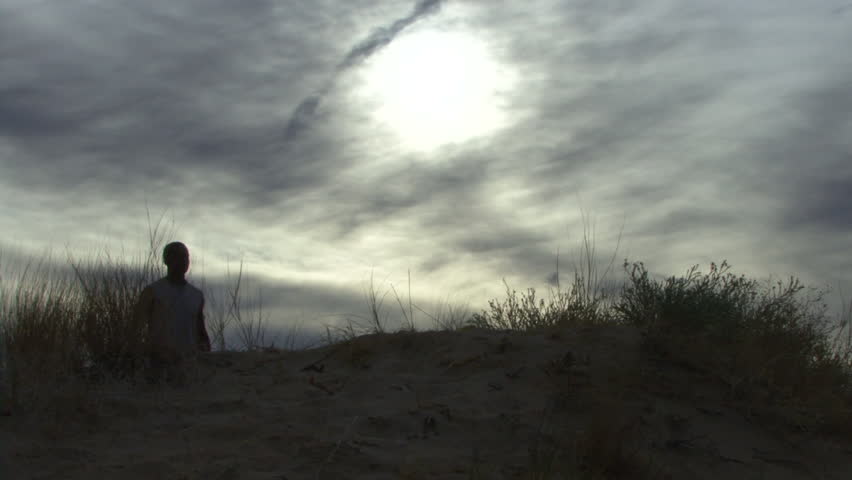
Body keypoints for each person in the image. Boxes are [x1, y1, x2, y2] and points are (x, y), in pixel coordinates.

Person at [135, 241, 210, 385]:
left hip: (188, 366)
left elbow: (200, 329)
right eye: (178, 256)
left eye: (185, 257)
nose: (183, 261)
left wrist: (205, 354)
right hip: (159, 366)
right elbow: (136, 326)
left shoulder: (196, 295)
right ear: (166, 260)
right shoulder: (153, 292)